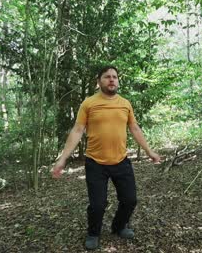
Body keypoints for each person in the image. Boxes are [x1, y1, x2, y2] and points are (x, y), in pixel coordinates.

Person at [51, 65, 160, 250]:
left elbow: (134, 128)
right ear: (99, 81)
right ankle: (93, 233)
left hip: (121, 161)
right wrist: (63, 158)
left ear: (118, 81)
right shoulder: (88, 103)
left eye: (115, 77)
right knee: (97, 205)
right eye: (107, 76)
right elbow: (77, 130)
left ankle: (119, 226)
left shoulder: (125, 103)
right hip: (95, 163)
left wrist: (149, 151)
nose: (111, 79)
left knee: (130, 200)